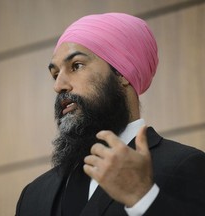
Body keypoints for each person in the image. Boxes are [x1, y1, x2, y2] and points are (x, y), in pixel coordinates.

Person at [15, 13, 205, 216]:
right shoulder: (34, 194)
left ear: (122, 72)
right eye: (55, 74)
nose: (58, 86)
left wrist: (144, 199)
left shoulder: (185, 166)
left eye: (76, 66)